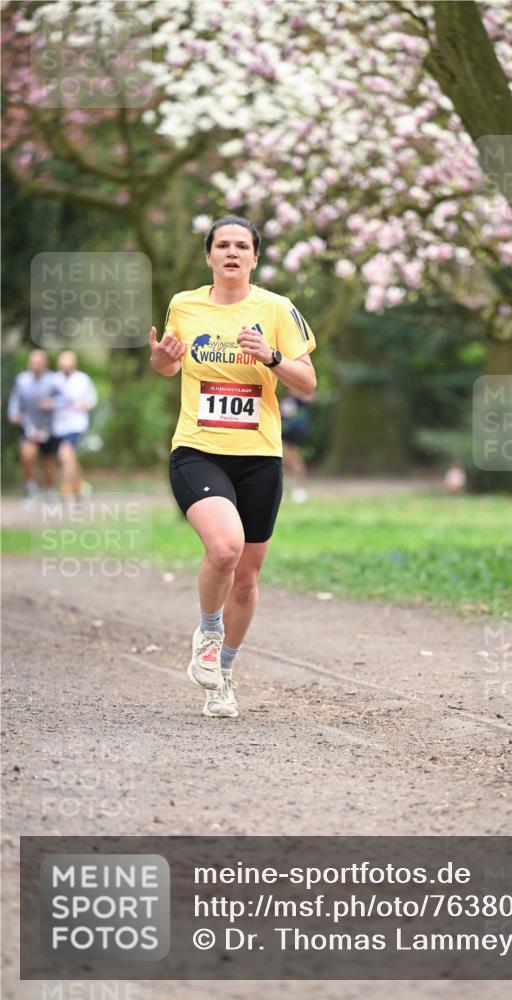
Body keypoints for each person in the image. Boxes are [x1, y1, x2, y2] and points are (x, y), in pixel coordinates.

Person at [149, 215, 317, 719]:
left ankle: (222, 674)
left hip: (260, 457)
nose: (231, 252)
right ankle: (208, 630)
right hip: (197, 448)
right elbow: (169, 365)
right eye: (222, 244)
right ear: (208, 256)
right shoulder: (185, 304)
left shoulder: (277, 309)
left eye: (241, 245)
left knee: (246, 580)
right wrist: (161, 358)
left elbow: (306, 382)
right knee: (224, 548)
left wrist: (270, 357)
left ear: (255, 257)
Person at [7, 349, 62, 502]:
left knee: (47, 462)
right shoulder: (22, 379)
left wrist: (52, 403)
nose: (35, 366)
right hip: (29, 425)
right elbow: (15, 400)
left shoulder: (53, 380)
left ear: (45, 364)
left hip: (48, 428)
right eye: (32, 363)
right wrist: (13, 413)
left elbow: (64, 399)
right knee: (26, 456)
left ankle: (51, 491)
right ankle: (30, 488)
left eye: (39, 363)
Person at [52, 350, 98, 501]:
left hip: (76, 424)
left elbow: (92, 400)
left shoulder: (83, 379)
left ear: (74, 363)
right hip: (58, 425)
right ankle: (80, 487)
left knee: (65, 453)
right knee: (68, 457)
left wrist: (82, 405)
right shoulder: (54, 379)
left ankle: (65, 490)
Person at [280, 390, 315, 503]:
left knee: (295, 460)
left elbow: (311, 398)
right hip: (285, 432)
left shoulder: (302, 397)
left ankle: (299, 489)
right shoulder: (289, 398)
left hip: (295, 433)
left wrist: (299, 395)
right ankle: (292, 488)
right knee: (285, 460)